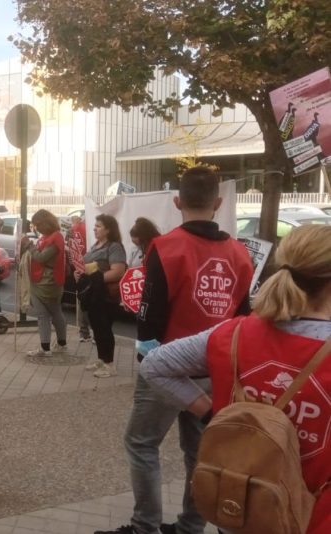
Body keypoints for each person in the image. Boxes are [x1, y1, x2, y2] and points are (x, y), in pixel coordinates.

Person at [139, 224, 331, 533]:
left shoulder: (234, 333)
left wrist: (212, 414)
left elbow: (154, 366)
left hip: (241, 501)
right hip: (312, 514)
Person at [96, 166, 254, 534]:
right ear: (218, 202)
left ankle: (145, 525)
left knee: (141, 443)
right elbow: (243, 320)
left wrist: (146, 363)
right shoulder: (241, 255)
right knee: (200, 453)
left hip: (165, 364)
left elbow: (149, 317)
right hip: (214, 370)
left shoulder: (164, 248)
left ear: (177, 200)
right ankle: (190, 526)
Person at [79, 214, 127, 378]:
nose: (94, 228)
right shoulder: (96, 245)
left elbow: (118, 271)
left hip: (105, 294)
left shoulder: (114, 247)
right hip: (93, 293)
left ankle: (110, 364)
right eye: (95, 225)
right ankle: (101, 359)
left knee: (104, 327)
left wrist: (96, 278)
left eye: (98, 226)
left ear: (108, 229)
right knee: (97, 327)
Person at [22, 209, 68, 357]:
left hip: (46, 282)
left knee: (45, 315)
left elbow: (41, 257)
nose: (36, 228)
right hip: (48, 280)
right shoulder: (52, 236)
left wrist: (29, 245)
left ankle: (46, 347)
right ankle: (59, 344)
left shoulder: (55, 239)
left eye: (37, 225)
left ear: (45, 223)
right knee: (55, 312)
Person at [69, 214, 92, 342]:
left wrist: (74, 266)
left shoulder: (74, 229)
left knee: (82, 301)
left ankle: (84, 332)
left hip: (80, 266)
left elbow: (72, 249)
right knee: (94, 302)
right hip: (92, 265)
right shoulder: (89, 229)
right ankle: (93, 333)